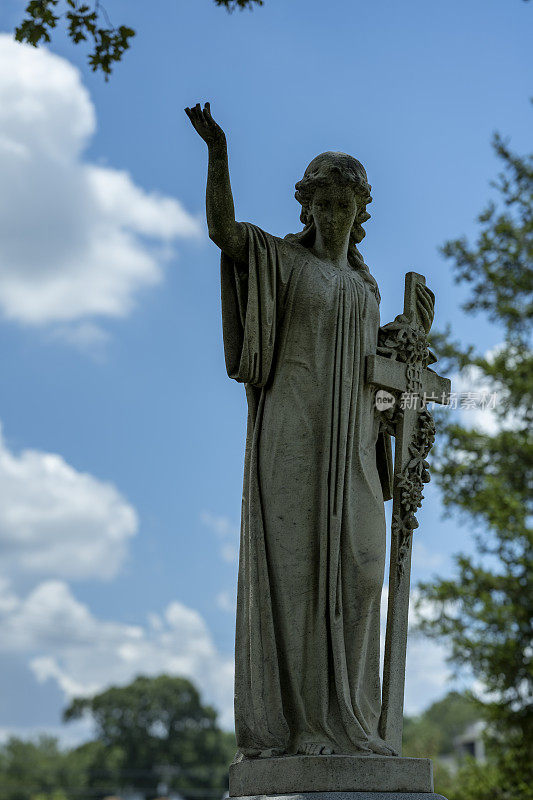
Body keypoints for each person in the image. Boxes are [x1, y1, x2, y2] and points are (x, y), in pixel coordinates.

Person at [185, 102, 434, 759]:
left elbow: (378, 375)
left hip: (352, 447)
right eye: (322, 204)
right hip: (293, 439)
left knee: (359, 569)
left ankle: (355, 722)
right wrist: (217, 152)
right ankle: (304, 731)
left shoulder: (368, 287)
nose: (333, 216)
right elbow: (223, 233)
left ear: (359, 212)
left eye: (344, 205)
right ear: (307, 207)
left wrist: (403, 367)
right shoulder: (282, 261)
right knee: (295, 580)